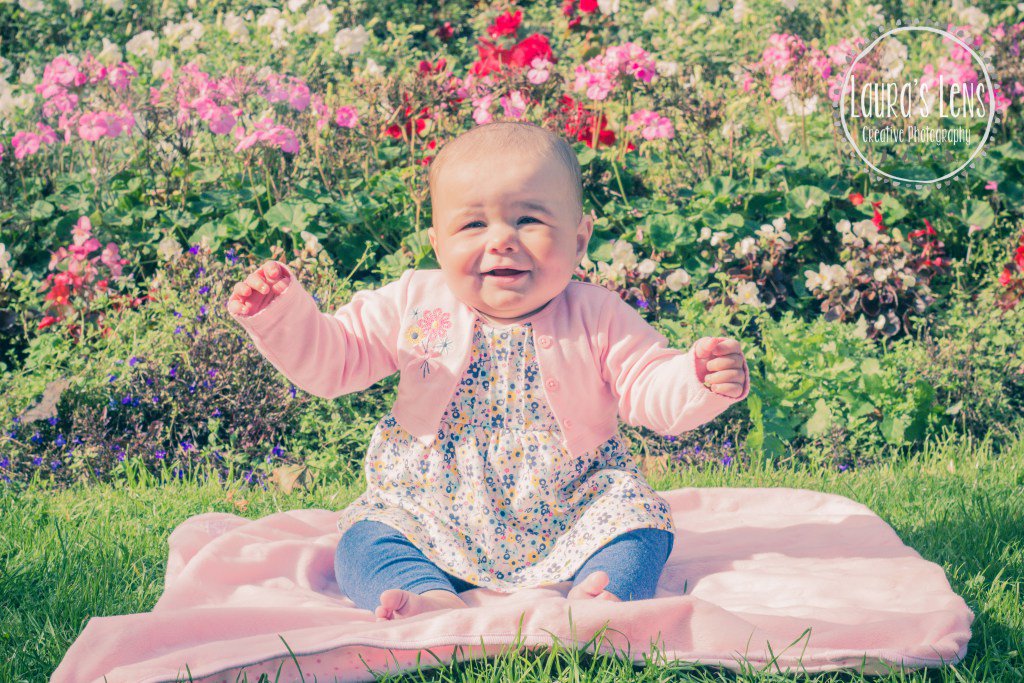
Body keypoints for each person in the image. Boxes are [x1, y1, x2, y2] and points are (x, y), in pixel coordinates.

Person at [226, 121, 749, 621]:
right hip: (431, 504)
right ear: (437, 243)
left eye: (529, 220)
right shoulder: (416, 303)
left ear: (580, 238)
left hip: (571, 502)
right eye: (473, 223)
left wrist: (694, 380)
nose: (501, 239)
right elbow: (335, 359)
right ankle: (423, 593)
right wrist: (284, 315)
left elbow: (647, 383)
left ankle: (604, 591)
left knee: (640, 524)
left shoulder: (597, 315)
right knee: (365, 539)